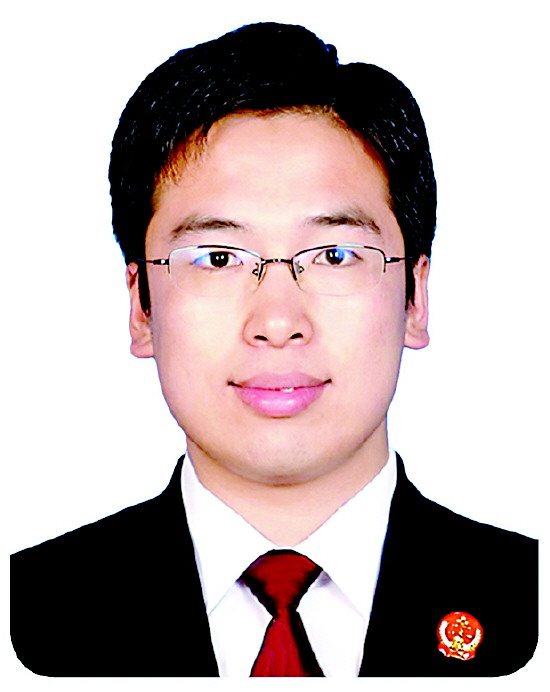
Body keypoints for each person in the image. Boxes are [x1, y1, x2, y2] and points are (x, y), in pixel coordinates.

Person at [10, 22, 537, 678]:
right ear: (141, 307)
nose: (278, 320)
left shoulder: (530, 606)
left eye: (335, 254)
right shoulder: (25, 616)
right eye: (218, 257)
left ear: (415, 298)